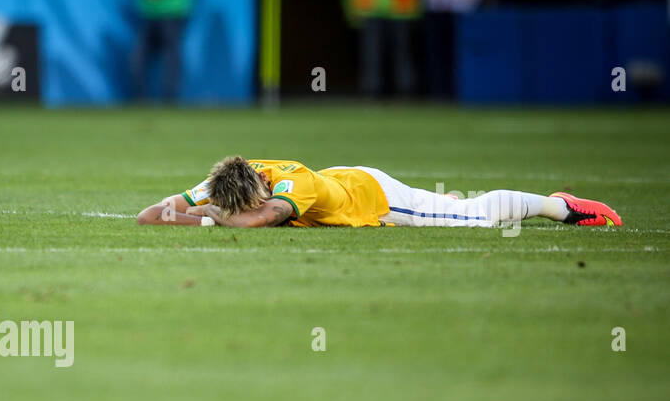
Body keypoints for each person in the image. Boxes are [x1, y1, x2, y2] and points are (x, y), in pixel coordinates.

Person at [135, 155, 621, 227]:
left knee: (469, 221)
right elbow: (148, 215)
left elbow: (261, 219)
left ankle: (557, 207)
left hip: (373, 198)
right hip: (345, 178)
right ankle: (440, 200)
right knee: (444, 207)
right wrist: (195, 207)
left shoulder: (288, 186)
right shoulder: (224, 181)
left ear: (262, 185)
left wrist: (211, 218)